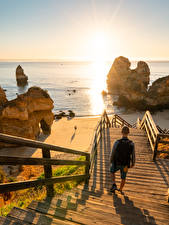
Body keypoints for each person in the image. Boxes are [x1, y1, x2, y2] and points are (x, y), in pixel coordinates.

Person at [110, 126, 135, 193]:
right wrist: (133, 163)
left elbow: (113, 152)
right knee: (123, 177)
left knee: (112, 172)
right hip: (125, 165)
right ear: (128, 133)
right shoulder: (131, 143)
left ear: (121, 132)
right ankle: (120, 189)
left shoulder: (117, 142)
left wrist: (111, 160)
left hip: (116, 162)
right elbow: (133, 155)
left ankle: (114, 184)